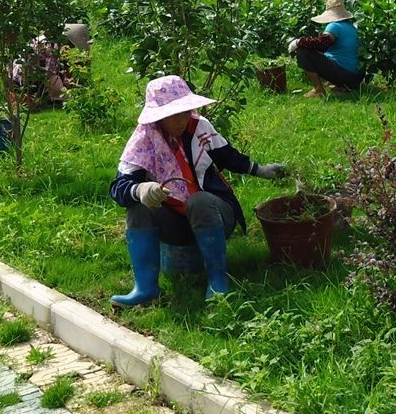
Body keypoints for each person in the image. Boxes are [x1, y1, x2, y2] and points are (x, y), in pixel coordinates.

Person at [108, 75, 287, 305]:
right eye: (173, 115)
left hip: (215, 215)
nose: (181, 120)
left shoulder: (198, 127)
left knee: (199, 201)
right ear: (158, 117)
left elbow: (227, 156)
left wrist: (260, 170)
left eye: (184, 112)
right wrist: (140, 189)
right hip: (174, 222)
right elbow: (119, 188)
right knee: (137, 209)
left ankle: (217, 282)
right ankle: (146, 288)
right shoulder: (143, 141)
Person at [289, 0, 363, 96]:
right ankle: (338, 86)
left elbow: (322, 44)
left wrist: (298, 42)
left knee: (303, 52)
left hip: (345, 75)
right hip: (356, 78)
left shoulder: (334, 26)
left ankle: (319, 91)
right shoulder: (350, 26)